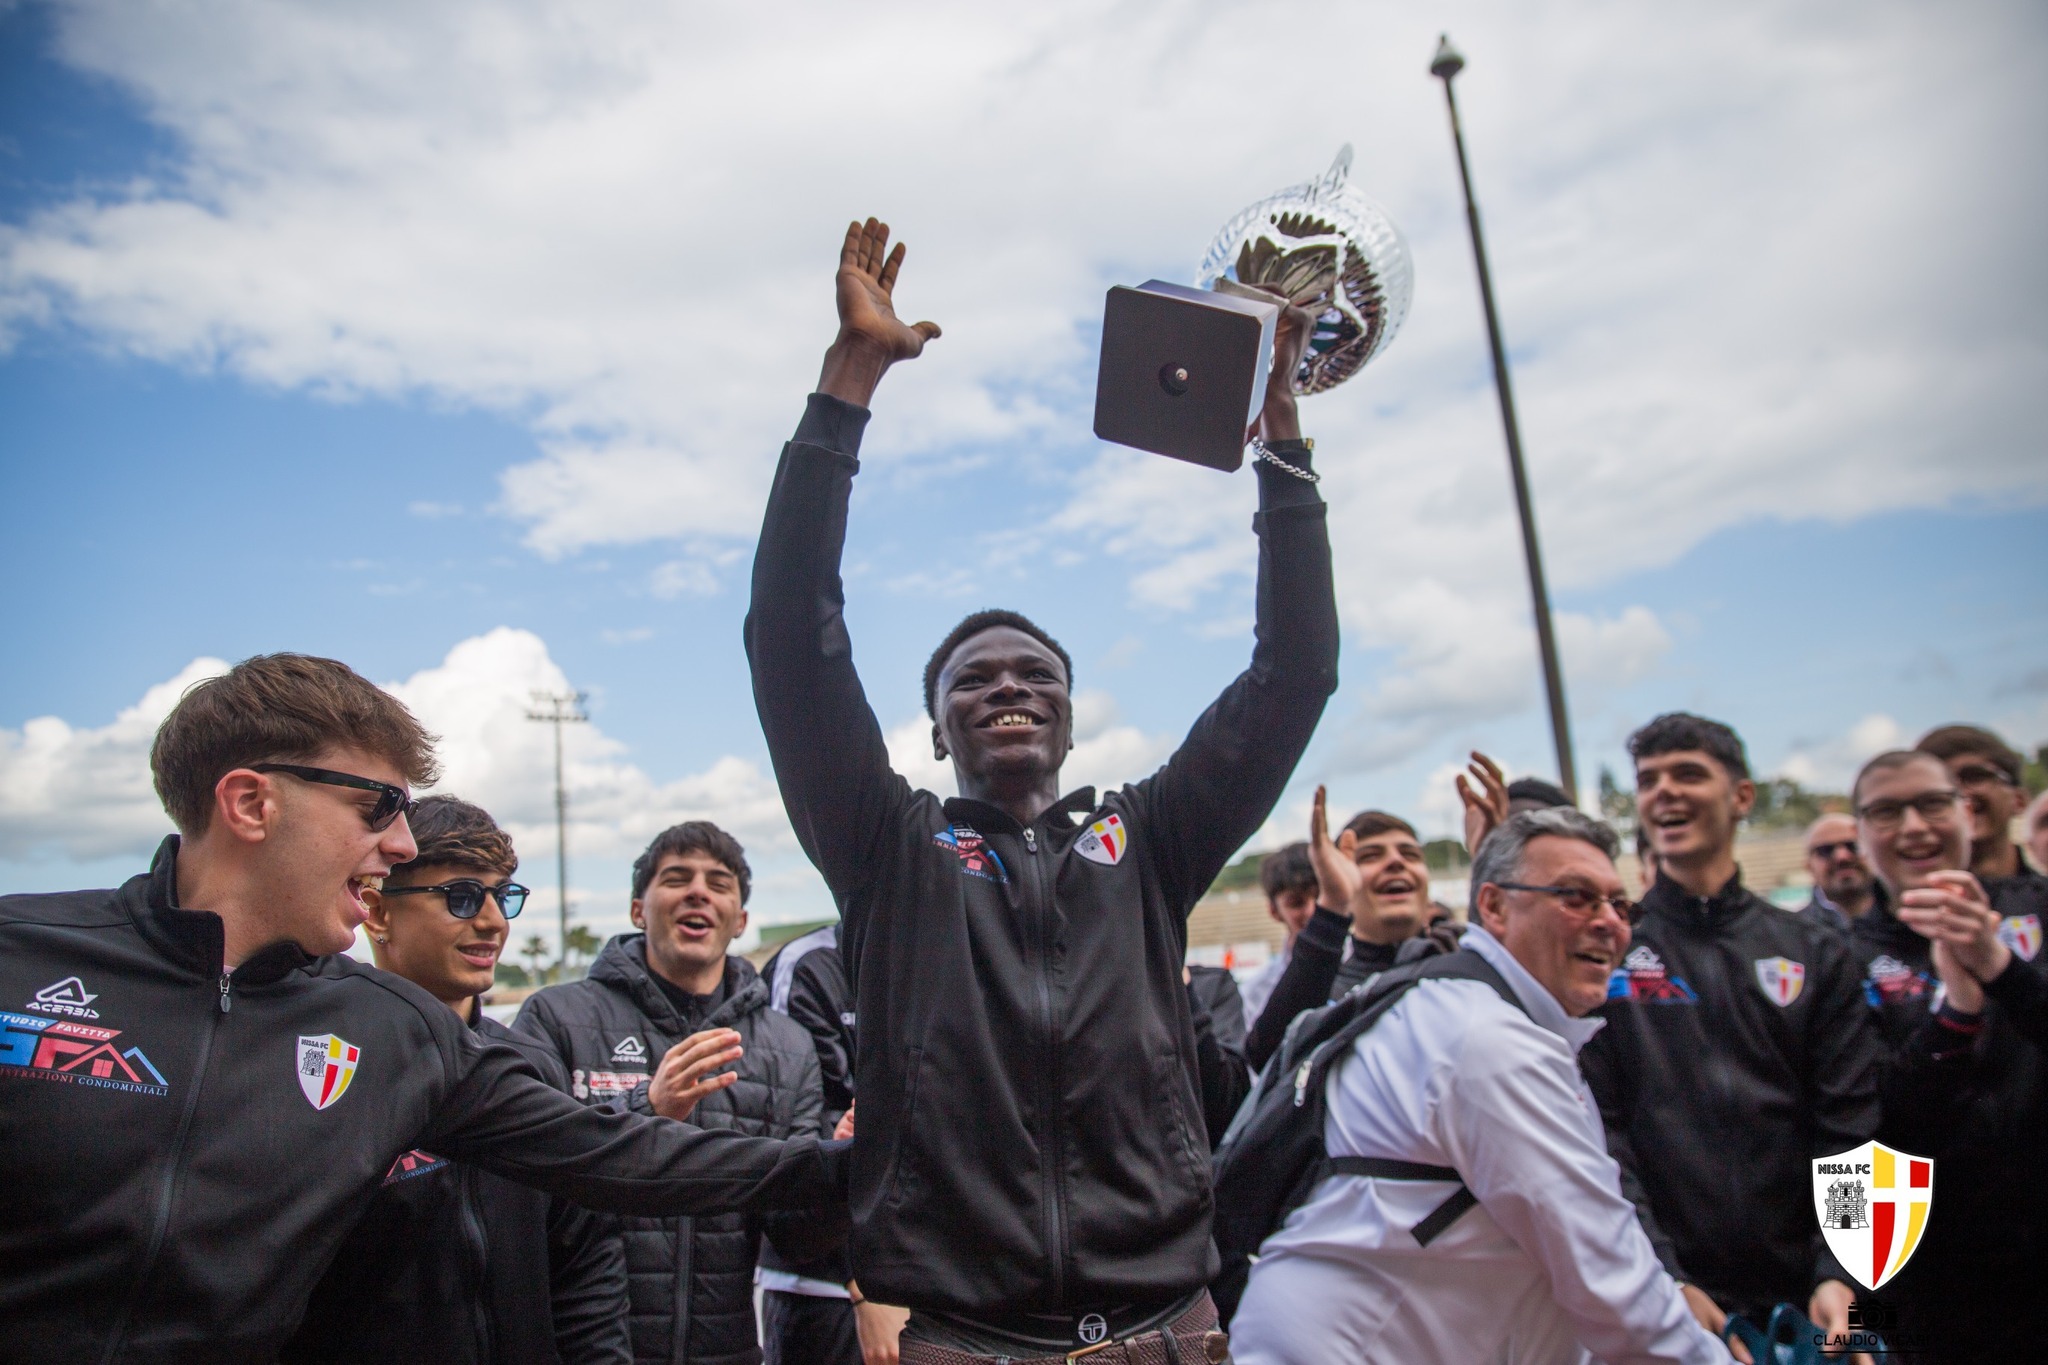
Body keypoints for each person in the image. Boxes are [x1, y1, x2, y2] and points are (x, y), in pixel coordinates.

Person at [746, 217, 1336, 1362]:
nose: (1008, 685)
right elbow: (787, 638)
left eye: (1036, 673)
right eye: (972, 679)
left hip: (1172, 1330)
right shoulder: (885, 847)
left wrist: (1281, 445)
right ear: (935, 731)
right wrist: (846, 384)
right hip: (965, 1339)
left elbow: (1295, 670)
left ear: (1067, 715)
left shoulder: (1151, 839)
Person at [0, 654, 841, 1364]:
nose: (401, 844)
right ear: (251, 802)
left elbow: (609, 1155)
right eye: (377, 808)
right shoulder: (20, 959)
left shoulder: (392, 1027)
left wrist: (852, 1163)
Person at [1229, 808, 1731, 1365]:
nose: (1609, 922)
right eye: (1576, 897)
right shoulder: (1487, 1039)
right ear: (1492, 906)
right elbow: (1610, 1280)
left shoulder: (1481, 1012)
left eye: (1620, 904)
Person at [285, 795, 631, 1365]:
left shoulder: (532, 1066)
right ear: (377, 911)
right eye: (462, 897)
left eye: (504, 896)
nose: (493, 921)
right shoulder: (323, 1072)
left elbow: (584, 1261)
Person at [1578, 713, 1881, 1349]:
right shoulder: (1606, 955)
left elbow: (1854, 1126)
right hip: (1677, 1300)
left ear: (1742, 796)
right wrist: (1663, 1278)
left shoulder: (1816, 950)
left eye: (1688, 774)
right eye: (1648, 780)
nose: (1665, 791)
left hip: (1819, 1298)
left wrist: (1845, 1271)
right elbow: (1600, 1136)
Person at [516, 822, 830, 1365]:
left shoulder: (789, 1046)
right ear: (638, 910)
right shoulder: (556, 1018)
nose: (698, 892)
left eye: (719, 883)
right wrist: (647, 1110)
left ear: (740, 920)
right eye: (677, 878)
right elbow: (525, 1183)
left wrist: (842, 1166)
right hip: (583, 1350)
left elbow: (797, 1237)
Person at [1849, 750, 2048, 1363]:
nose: (1913, 827)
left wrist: (1999, 967)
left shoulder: (2040, 909)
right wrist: (1956, 1014)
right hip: (1928, 1290)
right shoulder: (1831, 954)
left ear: (1966, 813)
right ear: (1861, 835)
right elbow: (1860, 1129)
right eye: (1887, 812)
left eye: (1932, 804)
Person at [1244, 792, 1441, 1073]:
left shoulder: (1462, 956)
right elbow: (1267, 1059)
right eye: (1371, 856)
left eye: (1410, 854)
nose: (1396, 862)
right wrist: (1331, 909)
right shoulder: (1326, 985)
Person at [1915, 724, 2048, 935]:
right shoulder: (1907, 917)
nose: (1959, 793)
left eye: (1974, 776)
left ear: (2019, 800)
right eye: (1940, 784)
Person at [1239, 842, 1318, 1031]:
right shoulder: (1255, 992)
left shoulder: (1368, 964)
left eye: (1321, 896)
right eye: (1296, 903)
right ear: (1274, 911)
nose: (1312, 911)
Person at [1798, 811, 1875, 934]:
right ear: (1809, 867)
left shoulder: (1904, 922)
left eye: (1853, 846)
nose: (1842, 857)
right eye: (1826, 850)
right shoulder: (1792, 934)